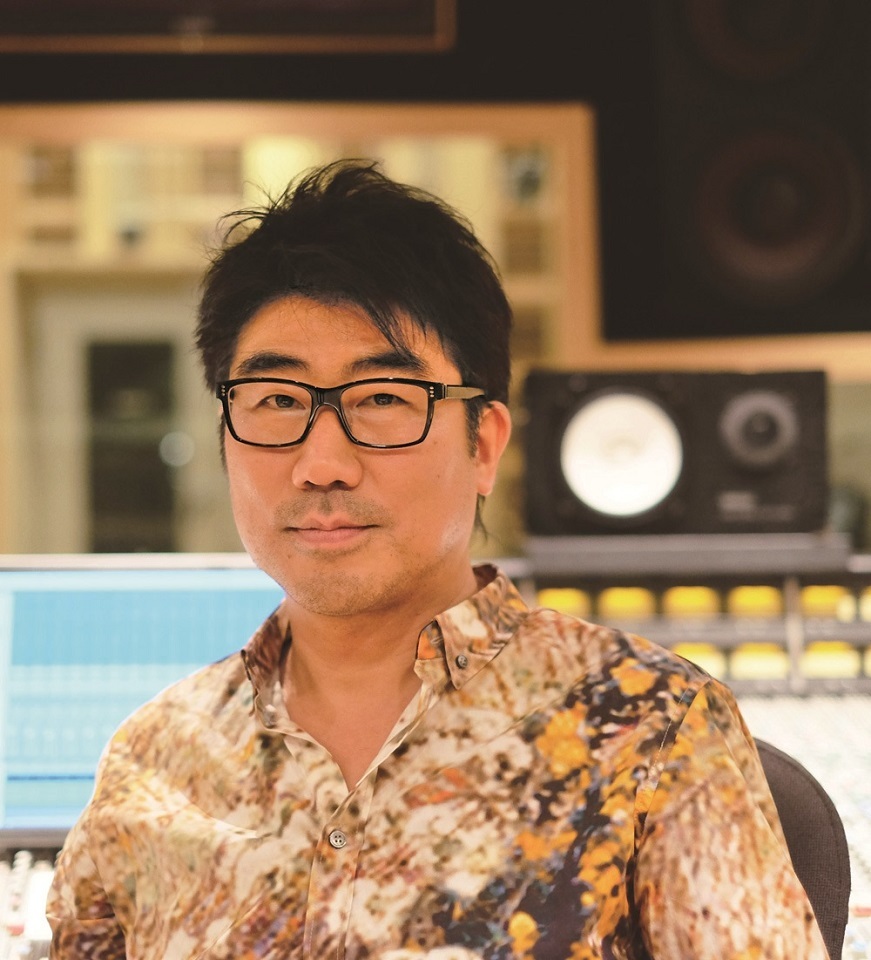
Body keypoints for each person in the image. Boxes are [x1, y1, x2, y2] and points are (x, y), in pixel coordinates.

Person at [46, 159, 829, 959]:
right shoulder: (154, 757)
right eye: (276, 400)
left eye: (383, 399)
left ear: (483, 444)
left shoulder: (649, 727)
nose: (322, 464)